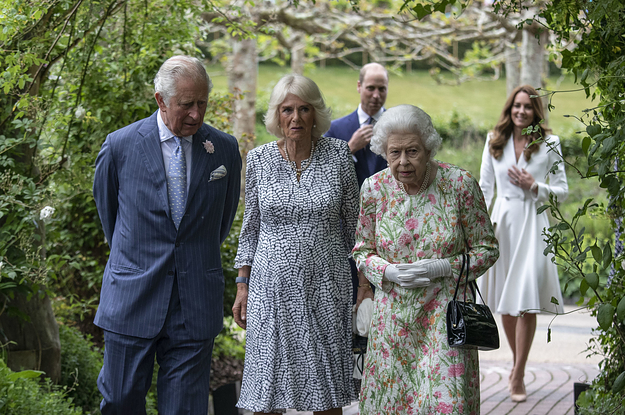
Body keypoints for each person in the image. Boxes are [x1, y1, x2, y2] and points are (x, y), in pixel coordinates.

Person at [93, 55, 241, 414]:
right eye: (186, 104)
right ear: (161, 100)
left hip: (194, 302)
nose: (195, 114)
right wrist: (136, 260)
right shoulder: (120, 146)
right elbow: (110, 217)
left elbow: (221, 221)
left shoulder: (223, 149)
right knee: (120, 403)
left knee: (185, 410)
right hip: (132, 297)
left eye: (202, 103)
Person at [353, 104, 499, 414]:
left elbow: (487, 249)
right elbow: (362, 250)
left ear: (429, 148)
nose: (403, 161)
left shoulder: (459, 185)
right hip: (392, 324)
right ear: (383, 151)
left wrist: (445, 266)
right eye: (394, 153)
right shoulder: (374, 189)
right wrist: (388, 271)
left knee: (445, 405)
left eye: (413, 151)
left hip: (446, 319)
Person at [232, 74, 360, 415]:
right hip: (270, 288)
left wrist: (364, 286)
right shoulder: (259, 160)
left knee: (326, 387)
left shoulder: (338, 154)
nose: (296, 117)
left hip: (327, 287)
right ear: (277, 115)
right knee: (267, 389)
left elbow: (355, 225)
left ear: (316, 113)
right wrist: (242, 284)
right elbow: (251, 228)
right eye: (287, 109)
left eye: (304, 109)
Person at [478, 84, 568, 403]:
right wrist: (479, 227)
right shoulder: (494, 141)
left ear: (536, 112)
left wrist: (535, 186)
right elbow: (485, 189)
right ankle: (518, 364)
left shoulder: (550, 143)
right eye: (516, 106)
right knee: (505, 300)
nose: (521, 111)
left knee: (525, 298)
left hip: (532, 223)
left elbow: (562, 191)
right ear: (509, 108)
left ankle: (517, 374)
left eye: (527, 107)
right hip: (502, 224)